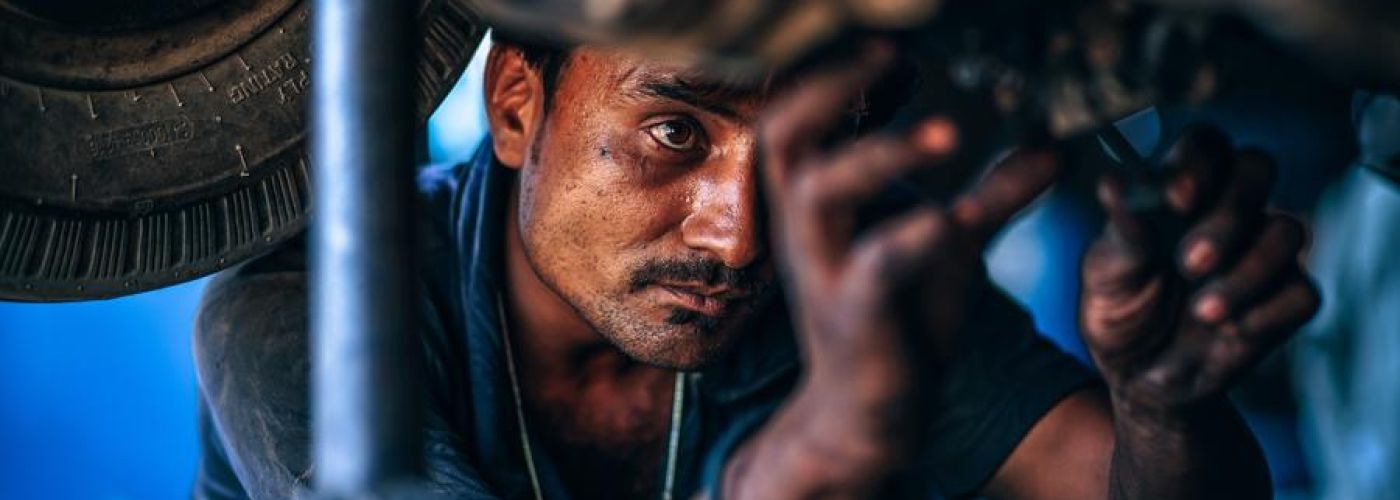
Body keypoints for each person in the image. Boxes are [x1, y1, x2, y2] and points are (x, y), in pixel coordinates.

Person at [192, 32, 1319, 499]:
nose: (738, 238)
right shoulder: (294, 315)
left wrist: (1161, 404)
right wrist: (809, 456)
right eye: (673, 133)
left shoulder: (850, 270)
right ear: (516, 106)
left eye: (802, 151)